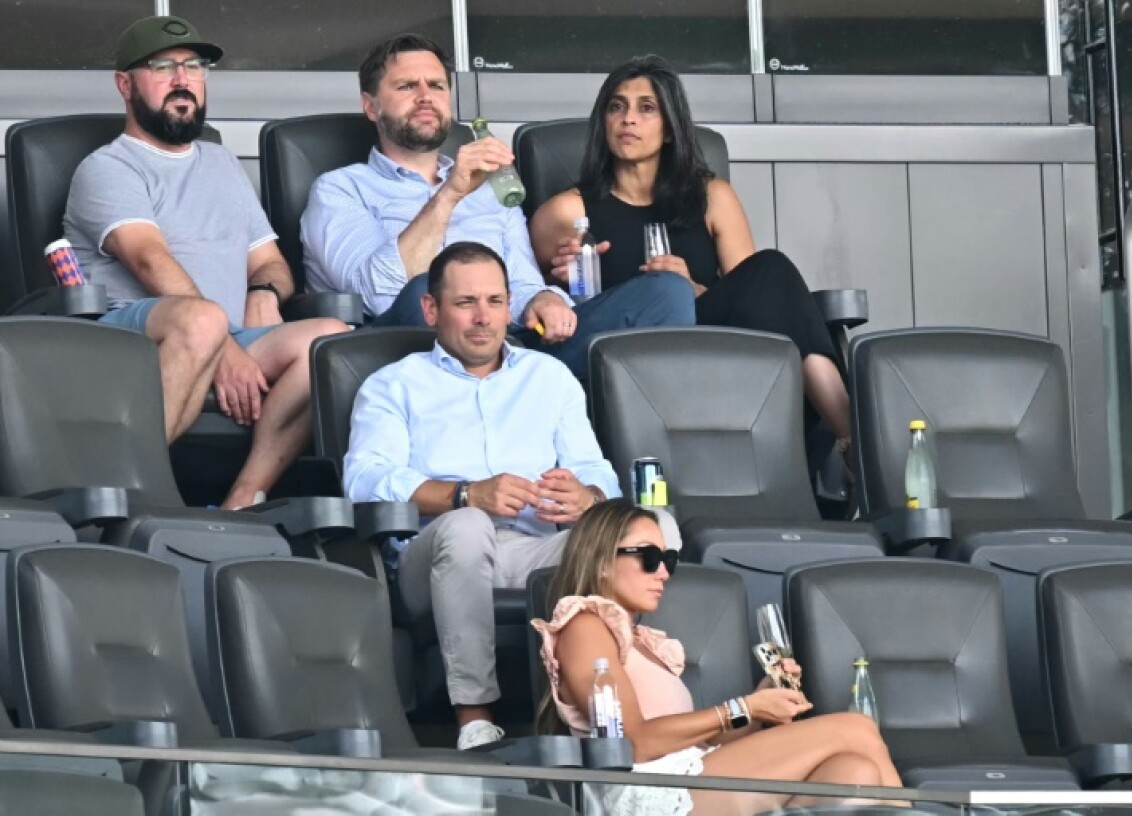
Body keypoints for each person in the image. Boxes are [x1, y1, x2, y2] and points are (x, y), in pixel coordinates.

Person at [343, 241, 682, 750]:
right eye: (466, 303)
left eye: (496, 302)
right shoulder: (394, 385)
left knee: (648, 533)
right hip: (431, 554)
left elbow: (597, 473)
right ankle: (475, 718)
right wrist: (464, 495)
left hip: (535, 548)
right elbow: (366, 480)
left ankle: (635, 702)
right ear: (431, 309)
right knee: (466, 526)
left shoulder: (548, 378)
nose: (484, 318)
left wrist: (585, 497)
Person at [64, 15, 349, 509]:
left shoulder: (221, 164)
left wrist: (261, 294)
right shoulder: (107, 168)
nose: (183, 80)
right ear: (124, 85)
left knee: (329, 341)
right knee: (203, 318)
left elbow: (271, 265)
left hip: (222, 335)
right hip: (132, 343)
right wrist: (223, 348)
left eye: (194, 67)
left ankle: (243, 500)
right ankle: (130, 496)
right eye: (164, 67)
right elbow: (151, 263)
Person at [300, 34, 695, 380]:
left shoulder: (491, 189)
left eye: (436, 85)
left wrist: (545, 300)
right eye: (406, 86)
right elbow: (377, 295)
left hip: (516, 345)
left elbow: (521, 281)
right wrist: (450, 195)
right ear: (371, 107)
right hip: (415, 351)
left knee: (667, 293)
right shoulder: (339, 189)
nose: (425, 97)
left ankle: (654, 445)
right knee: (433, 289)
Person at [529, 54, 852, 458]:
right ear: (604, 122)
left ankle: (851, 438)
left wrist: (695, 288)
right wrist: (562, 277)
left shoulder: (713, 197)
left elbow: (755, 299)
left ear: (669, 130)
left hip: (709, 348)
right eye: (617, 106)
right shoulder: (566, 211)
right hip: (623, 353)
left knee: (772, 269)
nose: (628, 119)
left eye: (646, 108)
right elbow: (534, 307)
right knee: (667, 292)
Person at [532, 499, 903, 816]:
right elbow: (634, 742)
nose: (663, 572)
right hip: (642, 791)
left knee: (855, 772)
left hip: (685, 777)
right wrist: (746, 707)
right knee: (857, 729)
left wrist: (761, 700)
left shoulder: (644, 642)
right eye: (648, 557)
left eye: (669, 560)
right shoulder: (584, 622)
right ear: (601, 561)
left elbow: (699, 745)